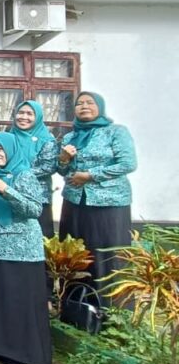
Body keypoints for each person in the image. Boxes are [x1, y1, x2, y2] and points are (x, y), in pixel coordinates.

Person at [0, 133, 51, 364]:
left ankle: (20, 354)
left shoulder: (23, 174)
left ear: (10, 149)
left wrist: (7, 190)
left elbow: (34, 209)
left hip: (20, 250)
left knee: (17, 300)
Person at [57, 92, 137, 292]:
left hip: (109, 202)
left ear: (100, 107)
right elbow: (63, 171)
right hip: (75, 202)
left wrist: (90, 175)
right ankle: (78, 302)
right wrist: (64, 159)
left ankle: (110, 304)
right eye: (79, 103)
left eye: (89, 103)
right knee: (77, 252)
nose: (84, 106)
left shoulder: (116, 132)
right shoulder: (70, 136)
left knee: (106, 251)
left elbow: (128, 163)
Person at [8, 100, 59, 238]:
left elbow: (48, 167)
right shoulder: (9, 137)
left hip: (37, 197)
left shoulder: (47, 140)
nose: (24, 117)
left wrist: (17, 174)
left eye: (29, 114)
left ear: (38, 117)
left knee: (39, 237)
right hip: (9, 194)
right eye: (20, 112)